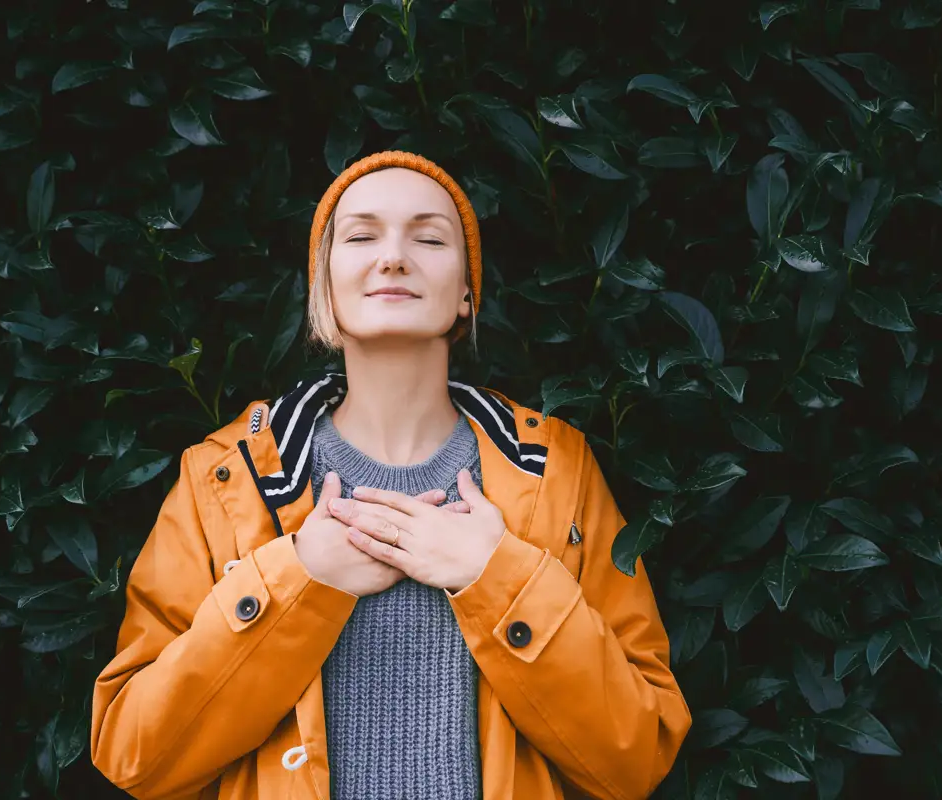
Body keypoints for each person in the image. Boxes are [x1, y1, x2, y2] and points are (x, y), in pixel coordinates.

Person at [90, 150, 691, 800]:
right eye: (361, 236)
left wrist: (498, 577)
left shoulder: (555, 471)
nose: (394, 257)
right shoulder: (225, 477)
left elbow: (639, 750)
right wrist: (298, 581)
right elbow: (135, 753)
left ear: (467, 290)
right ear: (324, 286)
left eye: (429, 238)